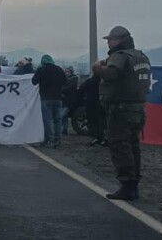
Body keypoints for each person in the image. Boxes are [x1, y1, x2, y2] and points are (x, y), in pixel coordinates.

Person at [92, 25, 151, 201]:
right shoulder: (141, 56)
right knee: (133, 146)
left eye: (110, 39)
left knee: (120, 146)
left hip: (120, 109)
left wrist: (98, 68)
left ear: (118, 40)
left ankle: (126, 185)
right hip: (138, 108)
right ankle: (133, 185)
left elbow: (112, 74)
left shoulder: (119, 57)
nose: (108, 43)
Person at [31, 54, 66, 147]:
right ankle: (58, 139)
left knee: (47, 120)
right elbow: (65, 81)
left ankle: (49, 139)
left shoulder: (41, 70)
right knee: (57, 119)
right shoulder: (59, 69)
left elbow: (34, 81)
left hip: (46, 98)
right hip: (58, 98)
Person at [80, 74, 106, 146]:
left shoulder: (89, 81)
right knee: (102, 121)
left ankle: (95, 138)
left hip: (91, 104)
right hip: (102, 103)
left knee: (92, 122)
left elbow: (81, 88)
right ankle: (103, 139)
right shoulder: (103, 81)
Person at [61, 66, 79, 136]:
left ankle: (59, 129)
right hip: (64, 99)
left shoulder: (74, 78)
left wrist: (61, 90)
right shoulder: (64, 79)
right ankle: (64, 130)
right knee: (64, 116)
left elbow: (69, 87)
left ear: (71, 72)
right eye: (65, 71)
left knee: (61, 115)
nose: (66, 73)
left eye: (67, 71)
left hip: (69, 100)